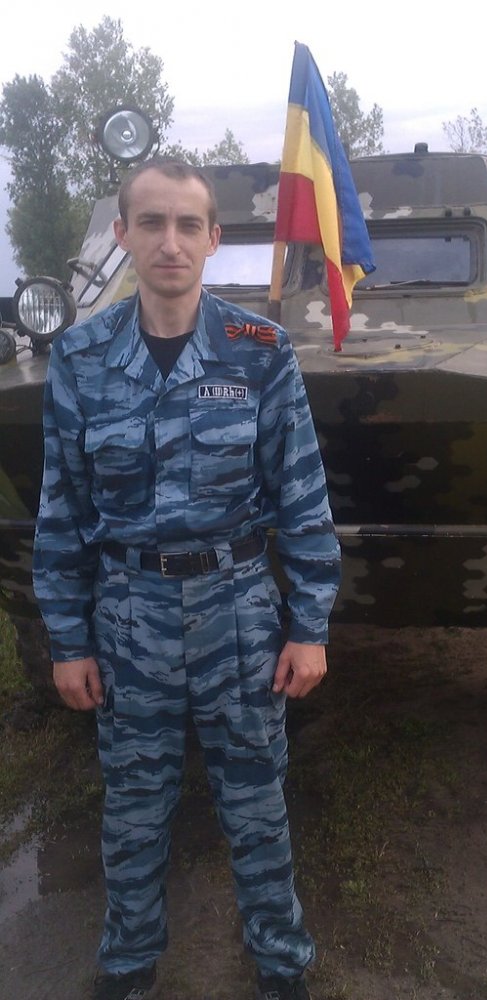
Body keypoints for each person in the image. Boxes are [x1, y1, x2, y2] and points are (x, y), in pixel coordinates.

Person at [32, 159, 341, 1000]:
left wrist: (310, 625)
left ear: (213, 240)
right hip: (128, 617)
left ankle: (281, 963)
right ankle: (129, 964)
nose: (170, 242)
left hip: (237, 612)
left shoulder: (260, 352)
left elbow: (302, 498)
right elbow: (62, 511)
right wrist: (68, 641)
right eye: (152, 223)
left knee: (257, 802)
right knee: (133, 805)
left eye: (187, 225)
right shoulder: (81, 359)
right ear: (124, 235)